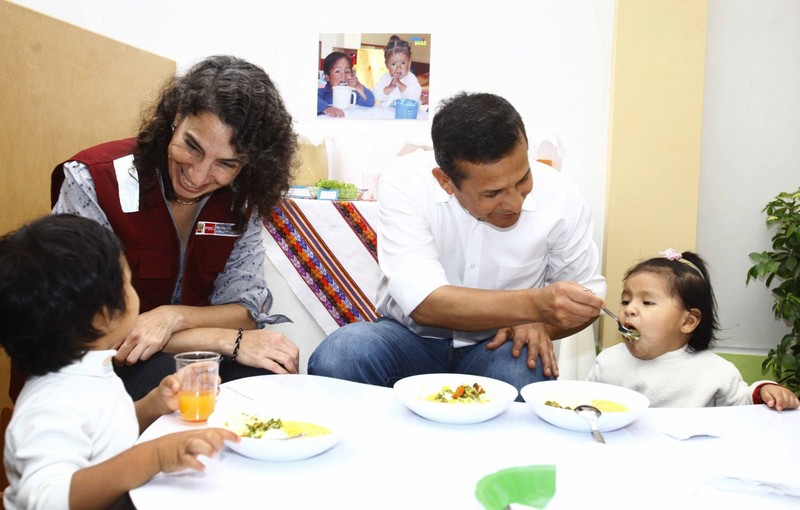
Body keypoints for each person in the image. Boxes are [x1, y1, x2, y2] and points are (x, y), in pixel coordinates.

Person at [308, 92, 606, 393]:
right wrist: (535, 306)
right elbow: (425, 303)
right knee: (340, 355)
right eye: (492, 194)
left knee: (524, 371)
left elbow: (589, 298)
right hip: (409, 340)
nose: (514, 202)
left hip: (499, 344)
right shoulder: (406, 182)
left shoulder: (561, 197)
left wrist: (543, 324)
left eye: (522, 179)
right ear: (445, 181)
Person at [49, 55, 300, 400]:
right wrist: (224, 339)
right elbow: (86, 325)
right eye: (192, 147)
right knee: (175, 384)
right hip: (98, 364)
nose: (197, 176)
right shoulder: (93, 179)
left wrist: (173, 317)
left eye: (226, 163)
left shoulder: (243, 199)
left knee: (267, 376)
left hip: (193, 356)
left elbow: (243, 310)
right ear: (178, 115)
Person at [0, 214, 239, 510]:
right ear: (102, 317)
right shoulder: (51, 405)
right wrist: (155, 456)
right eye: (127, 282)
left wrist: (153, 405)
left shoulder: (89, 370)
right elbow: (48, 500)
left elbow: (105, 438)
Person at [587, 249, 800, 410]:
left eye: (647, 302)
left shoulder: (715, 371)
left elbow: (742, 404)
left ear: (688, 321)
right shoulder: (607, 362)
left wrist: (764, 391)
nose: (630, 309)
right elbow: (585, 404)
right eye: (625, 301)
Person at [317, 51, 375, 117]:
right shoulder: (321, 94)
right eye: (337, 71)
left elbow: (370, 102)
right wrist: (326, 108)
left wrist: (358, 86)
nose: (343, 75)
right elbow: (311, 101)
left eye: (347, 72)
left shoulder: (352, 95)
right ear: (327, 76)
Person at [372, 35, 422, 106]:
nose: (398, 68)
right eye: (393, 64)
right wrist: (389, 88)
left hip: (405, 114)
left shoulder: (411, 78)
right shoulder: (385, 78)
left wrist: (400, 85)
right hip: (386, 114)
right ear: (387, 65)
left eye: (403, 63)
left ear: (409, 63)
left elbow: (414, 96)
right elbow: (376, 94)